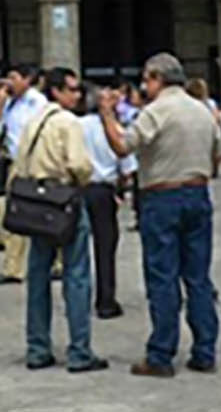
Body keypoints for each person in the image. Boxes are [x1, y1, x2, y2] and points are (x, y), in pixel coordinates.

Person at [97, 52, 221, 378]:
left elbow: (123, 146)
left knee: (162, 276)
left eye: (147, 79)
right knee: (198, 276)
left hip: (162, 195)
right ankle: (205, 350)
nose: (144, 85)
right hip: (198, 191)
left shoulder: (156, 111)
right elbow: (216, 153)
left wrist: (107, 115)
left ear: (156, 78)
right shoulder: (202, 110)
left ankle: (161, 353)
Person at [13, 67, 106, 374]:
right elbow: (80, 164)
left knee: (38, 274)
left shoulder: (33, 120)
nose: (77, 94)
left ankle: (37, 347)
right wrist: (83, 179)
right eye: (71, 89)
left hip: (37, 204)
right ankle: (79, 350)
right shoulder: (69, 122)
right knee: (77, 274)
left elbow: (20, 161)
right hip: (64, 199)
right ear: (56, 91)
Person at [0, 65, 47, 287]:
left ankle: (55, 262)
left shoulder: (37, 102)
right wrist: (0, 102)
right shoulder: (11, 103)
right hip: (14, 162)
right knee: (14, 214)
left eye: (14, 77)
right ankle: (13, 268)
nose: (9, 82)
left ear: (27, 79)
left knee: (42, 213)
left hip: (34, 162)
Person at [78, 84, 131, 317]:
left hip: (79, 188)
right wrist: (122, 191)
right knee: (105, 247)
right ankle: (106, 300)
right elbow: (128, 169)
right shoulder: (118, 130)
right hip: (104, 190)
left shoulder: (77, 126)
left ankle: (78, 297)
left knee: (77, 247)